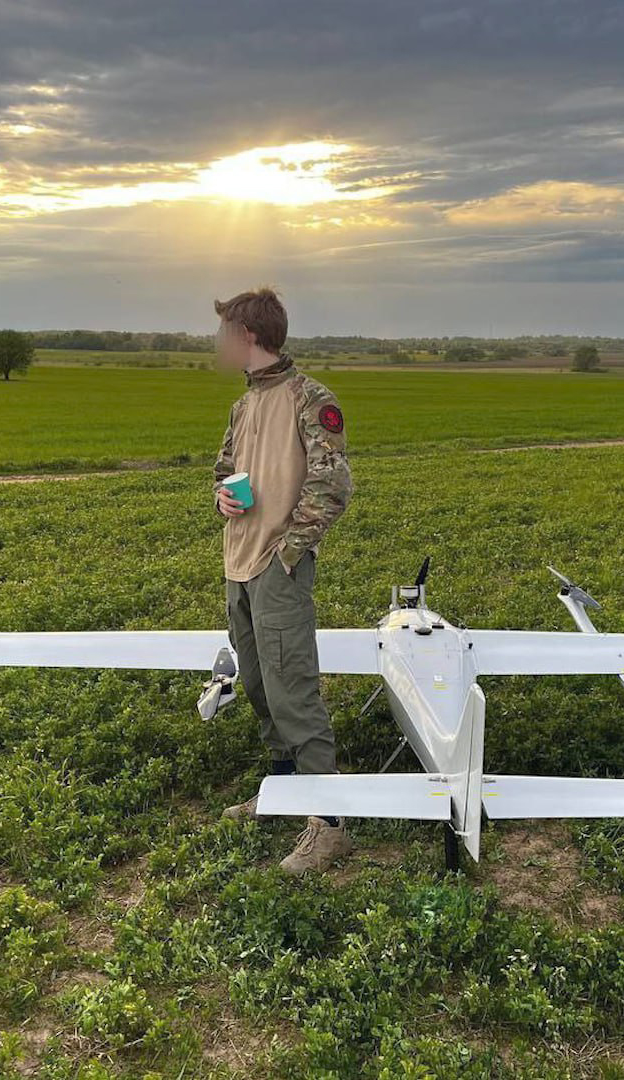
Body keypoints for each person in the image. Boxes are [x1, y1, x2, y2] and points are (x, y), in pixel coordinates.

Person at [211, 285, 355, 875]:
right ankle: (284, 790)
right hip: (238, 562)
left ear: (246, 335)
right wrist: (222, 496)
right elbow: (226, 468)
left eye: (224, 333)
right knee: (258, 687)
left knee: (293, 690)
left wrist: (290, 552)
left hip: (276, 566)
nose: (218, 344)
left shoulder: (310, 398)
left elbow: (332, 484)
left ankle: (329, 824)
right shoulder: (244, 406)